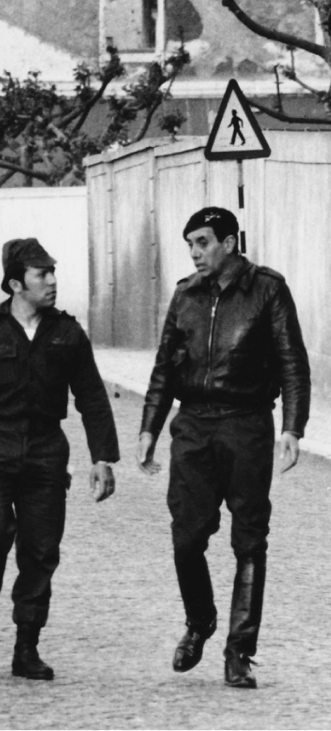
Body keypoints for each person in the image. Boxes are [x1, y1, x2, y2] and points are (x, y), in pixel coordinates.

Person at [137, 207, 310, 689]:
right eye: (189, 243)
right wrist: (150, 427)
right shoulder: (184, 295)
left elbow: (292, 362)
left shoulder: (267, 290)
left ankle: (239, 652)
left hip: (246, 425)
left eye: (203, 242)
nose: (194, 252)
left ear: (230, 242)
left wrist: (292, 427)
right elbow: (163, 368)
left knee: (250, 540)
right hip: (192, 426)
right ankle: (200, 620)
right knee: (186, 537)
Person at [0, 237, 118, 680]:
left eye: (53, 272)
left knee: (40, 550)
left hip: (44, 452)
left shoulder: (67, 333)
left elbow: (91, 396)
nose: (52, 281)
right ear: (16, 283)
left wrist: (103, 458)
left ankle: (26, 646)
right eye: (42, 274)